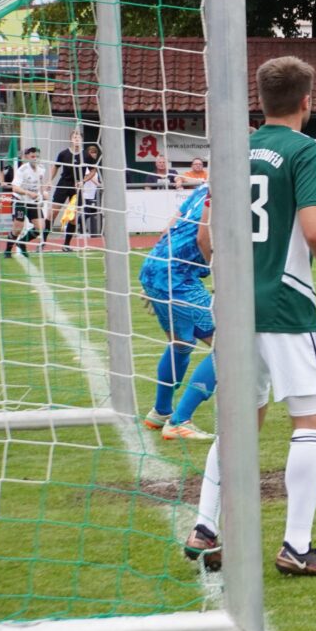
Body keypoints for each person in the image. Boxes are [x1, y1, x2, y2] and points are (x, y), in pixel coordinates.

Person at [183, 55, 316, 577]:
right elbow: (315, 229)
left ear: (260, 100)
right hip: (284, 303)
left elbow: (205, 235)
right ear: (307, 101)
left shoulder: (233, 150)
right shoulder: (306, 149)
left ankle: (206, 527)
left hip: (234, 305)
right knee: (311, 417)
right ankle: (296, 546)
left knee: (241, 419)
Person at [138, 184, 217, 441]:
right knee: (228, 347)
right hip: (179, 278)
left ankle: (160, 412)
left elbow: (167, 229)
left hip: (155, 267)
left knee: (181, 343)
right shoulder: (230, 190)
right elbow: (203, 239)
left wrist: (153, 282)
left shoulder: (203, 188)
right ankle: (180, 420)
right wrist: (220, 277)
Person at [44, 130, 86, 251]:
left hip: (76, 188)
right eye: (74, 137)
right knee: (53, 213)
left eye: (78, 137)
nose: (76, 139)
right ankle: (43, 242)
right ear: (71, 139)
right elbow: (56, 167)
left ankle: (66, 245)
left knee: (72, 217)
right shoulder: (63, 153)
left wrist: (83, 181)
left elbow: (93, 170)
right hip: (63, 185)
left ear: (82, 140)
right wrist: (49, 180)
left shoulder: (86, 155)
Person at [3, 147, 44, 258]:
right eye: (33, 156)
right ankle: (7, 251)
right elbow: (15, 188)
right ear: (26, 157)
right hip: (20, 200)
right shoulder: (22, 170)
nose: (35, 158)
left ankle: (21, 243)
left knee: (41, 227)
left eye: (37, 156)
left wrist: (43, 194)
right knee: (18, 228)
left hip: (33, 202)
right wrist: (28, 193)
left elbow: (40, 183)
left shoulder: (41, 169)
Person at [77, 143, 102, 239]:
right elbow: (88, 176)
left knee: (91, 212)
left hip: (92, 193)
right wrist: (98, 184)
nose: (93, 154)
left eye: (95, 153)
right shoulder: (86, 163)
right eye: (91, 152)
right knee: (86, 212)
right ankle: (79, 229)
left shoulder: (94, 164)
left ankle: (82, 229)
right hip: (85, 193)